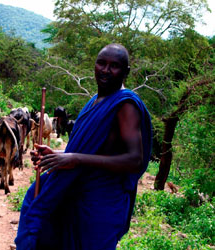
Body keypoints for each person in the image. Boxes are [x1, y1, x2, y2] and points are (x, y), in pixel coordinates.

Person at [15, 43, 152, 250]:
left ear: (126, 72)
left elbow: (135, 160)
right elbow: (94, 148)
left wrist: (74, 159)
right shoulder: (95, 101)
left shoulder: (125, 105)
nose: (105, 70)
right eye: (101, 63)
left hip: (100, 203)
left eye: (114, 66)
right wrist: (59, 155)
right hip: (77, 193)